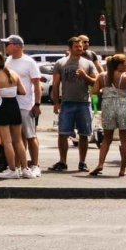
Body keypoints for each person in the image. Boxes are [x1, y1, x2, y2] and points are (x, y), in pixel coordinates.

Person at [49, 35, 99, 172]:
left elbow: (96, 81)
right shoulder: (61, 63)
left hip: (84, 102)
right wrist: (56, 103)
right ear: (70, 48)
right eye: (76, 46)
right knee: (63, 133)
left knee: (84, 133)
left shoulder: (88, 63)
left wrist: (85, 76)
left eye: (81, 46)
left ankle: (82, 162)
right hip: (67, 102)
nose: (79, 48)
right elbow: (55, 83)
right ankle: (62, 161)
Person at [2, 34, 44, 178]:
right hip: (11, 103)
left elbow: (37, 85)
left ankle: (35, 165)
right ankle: (19, 165)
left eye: (8, 44)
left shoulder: (29, 62)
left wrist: (37, 104)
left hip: (26, 104)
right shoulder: (8, 60)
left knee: (30, 135)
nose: (5, 46)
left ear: (17, 46)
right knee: (17, 137)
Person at [92, 52, 126, 177]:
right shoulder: (125, 77)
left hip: (108, 105)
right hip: (123, 106)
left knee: (107, 138)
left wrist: (105, 91)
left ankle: (100, 164)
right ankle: (122, 170)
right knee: (125, 140)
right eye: (125, 64)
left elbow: (95, 91)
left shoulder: (102, 76)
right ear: (118, 65)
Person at [0, 52, 26, 179]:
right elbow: (23, 91)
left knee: (7, 141)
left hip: (2, 107)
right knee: (18, 140)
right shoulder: (14, 74)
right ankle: (24, 168)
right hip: (14, 106)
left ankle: (12, 169)